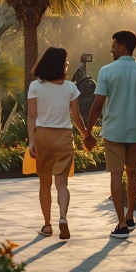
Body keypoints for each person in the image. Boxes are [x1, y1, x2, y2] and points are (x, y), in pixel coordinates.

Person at [87, 31, 136, 239]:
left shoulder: (107, 71)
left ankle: (121, 225)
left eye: (113, 45)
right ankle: (129, 216)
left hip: (113, 132)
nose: (110, 49)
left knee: (116, 175)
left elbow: (98, 104)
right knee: (133, 173)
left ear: (122, 47)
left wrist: (89, 131)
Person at [27, 47, 90, 240]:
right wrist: (86, 135)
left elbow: (31, 115)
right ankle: (63, 217)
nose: (68, 63)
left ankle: (47, 226)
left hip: (43, 137)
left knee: (44, 184)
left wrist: (31, 141)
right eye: (66, 60)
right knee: (62, 184)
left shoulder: (36, 86)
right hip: (64, 137)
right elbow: (76, 117)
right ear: (60, 63)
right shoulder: (70, 87)